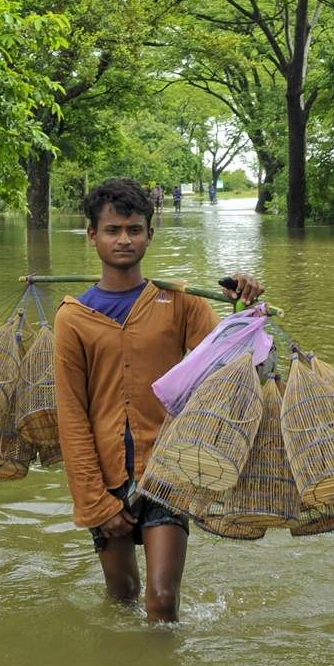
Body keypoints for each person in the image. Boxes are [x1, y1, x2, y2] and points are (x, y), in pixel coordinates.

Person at [53, 178, 265, 622]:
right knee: (122, 596)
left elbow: (232, 365)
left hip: (167, 469)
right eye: (112, 230)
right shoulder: (73, 318)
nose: (124, 239)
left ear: (151, 233)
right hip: (106, 477)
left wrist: (240, 311)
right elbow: (72, 417)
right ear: (92, 236)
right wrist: (96, 501)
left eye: (134, 229)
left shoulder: (180, 302)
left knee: (162, 601)